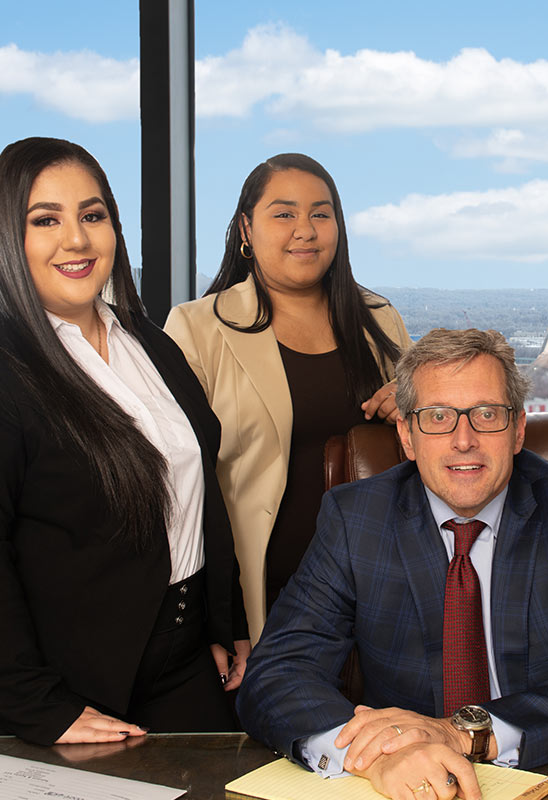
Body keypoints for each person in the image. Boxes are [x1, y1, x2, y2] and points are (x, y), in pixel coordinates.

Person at [0, 137, 250, 745]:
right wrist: (40, 708)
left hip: (174, 660)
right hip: (34, 688)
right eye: (46, 220)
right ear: (6, 238)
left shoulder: (152, 345)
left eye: (93, 215)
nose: (77, 240)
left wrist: (223, 621)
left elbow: (200, 490)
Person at [238, 328, 548, 800]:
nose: (464, 440)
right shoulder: (356, 518)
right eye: (438, 417)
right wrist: (382, 753)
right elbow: (277, 672)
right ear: (406, 434)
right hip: (406, 784)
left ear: (519, 428)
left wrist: (461, 734)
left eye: (487, 414)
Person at [165, 153, 409, 640]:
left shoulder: (379, 319)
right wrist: (217, 619)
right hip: (258, 597)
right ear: (245, 229)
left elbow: (431, 441)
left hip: (379, 589)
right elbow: (180, 491)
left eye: (321, 213)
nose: (306, 229)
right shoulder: (195, 328)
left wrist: (416, 407)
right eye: (283, 214)